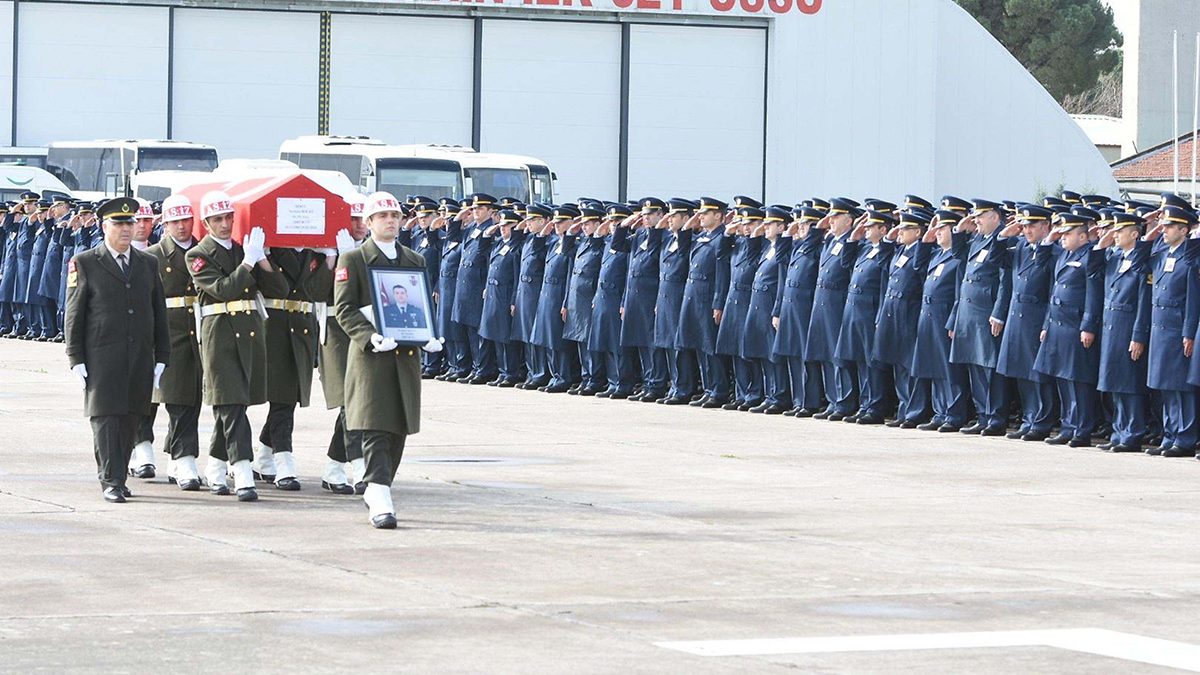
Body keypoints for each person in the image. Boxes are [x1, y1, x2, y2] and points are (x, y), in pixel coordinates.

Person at [334, 191, 440, 528]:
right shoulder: (353, 260)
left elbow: (421, 305)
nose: (391, 221)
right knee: (374, 426)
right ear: (368, 223)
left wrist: (429, 334)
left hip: (406, 358)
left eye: (394, 215)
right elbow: (344, 308)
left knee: (398, 429)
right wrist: (368, 336)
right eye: (382, 216)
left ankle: (380, 485)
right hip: (372, 359)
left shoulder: (414, 261)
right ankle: (379, 494)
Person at [64, 197, 170, 503]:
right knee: (106, 417)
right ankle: (110, 479)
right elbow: (75, 313)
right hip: (101, 355)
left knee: (131, 416)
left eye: (130, 223)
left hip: (138, 356)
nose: (126, 229)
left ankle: (119, 476)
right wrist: (75, 357)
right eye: (119, 223)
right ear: (104, 226)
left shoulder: (148, 263)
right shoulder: (84, 262)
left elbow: (157, 312)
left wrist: (162, 355)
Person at [186, 191, 288, 502]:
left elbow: (279, 289)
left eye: (228, 217)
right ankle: (242, 471)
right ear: (206, 223)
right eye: (217, 219)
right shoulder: (198, 255)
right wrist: (247, 261)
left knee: (233, 405)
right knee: (230, 404)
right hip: (220, 335)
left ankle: (216, 469)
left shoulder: (244, 249)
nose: (225, 224)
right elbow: (222, 289)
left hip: (249, 334)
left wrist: (263, 259)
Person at [253, 242, 332, 491]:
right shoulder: (272, 250)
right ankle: (284, 461)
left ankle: (265, 458)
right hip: (274, 327)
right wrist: (263, 256)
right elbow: (278, 287)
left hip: (302, 328)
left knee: (287, 398)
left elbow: (318, 292)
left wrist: (330, 258)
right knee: (281, 399)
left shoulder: (316, 253)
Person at [143, 195, 205, 490]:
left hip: (200, 331)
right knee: (177, 399)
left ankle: (177, 457)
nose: (182, 227)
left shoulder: (203, 251)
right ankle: (184, 458)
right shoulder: (153, 256)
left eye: (186, 220)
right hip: (168, 332)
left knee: (192, 399)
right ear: (165, 224)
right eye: (175, 222)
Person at [1033, 211, 1104, 447]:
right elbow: (1052, 291)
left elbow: (1093, 296)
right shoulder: (1064, 255)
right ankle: (1067, 425)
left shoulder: (1090, 256)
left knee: (1078, 380)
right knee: (1062, 378)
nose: (1062, 237)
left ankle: (1081, 429)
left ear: (1083, 236)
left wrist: (1088, 325)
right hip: (1057, 324)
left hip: (1075, 325)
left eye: (1068, 233)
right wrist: (1046, 324)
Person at [947, 198, 1012, 436]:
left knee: (989, 367)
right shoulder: (977, 240)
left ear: (995, 217)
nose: (976, 220)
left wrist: (998, 313)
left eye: (981, 216)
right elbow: (958, 255)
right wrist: (959, 230)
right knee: (974, 365)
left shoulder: (1001, 240)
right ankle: (983, 414)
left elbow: (1006, 281)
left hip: (986, 311)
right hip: (969, 312)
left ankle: (995, 417)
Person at [317, 194, 369, 495]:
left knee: (356, 400)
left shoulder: (371, 251)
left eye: (364, 219)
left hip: (366, 328)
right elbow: (319, 292)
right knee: (349, 400)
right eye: (353, 219)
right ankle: (360, 464)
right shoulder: (329, 251)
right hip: (336, 328)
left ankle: (334, 466)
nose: (359, 225)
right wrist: (335, 262)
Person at [994, 204, 1058, 441]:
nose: (1027, 230)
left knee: (1037, 375)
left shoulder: (1053, 251)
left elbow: (1052, 289)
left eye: (1032, 225)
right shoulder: (1020, 246)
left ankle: (1042, 421)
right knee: (1021, 371)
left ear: (1045, 227)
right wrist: (1002, 237)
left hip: (1036, 315)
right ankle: (1029, 418)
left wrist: (1046, 323)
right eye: (1025, 225)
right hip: (1017, 313)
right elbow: (997, 259)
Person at [1146, 204, 1200, 457]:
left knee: (1181, 387)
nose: (1164, 231)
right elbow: (1148, 251)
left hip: (1177, 327)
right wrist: (1153, 231)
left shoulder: (1189, 258)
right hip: (1160, 325)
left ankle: (1185, 437)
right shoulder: (1164, 254)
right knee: (1166, 384)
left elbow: (1192, 300)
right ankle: (1170, 434)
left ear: (1184, 229)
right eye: (1164, 226)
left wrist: (1188, 333)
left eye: (1169, 227)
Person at [1095, 211, 1151, 452]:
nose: (1114, 234)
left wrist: (1138, 335)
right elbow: (1092, 270)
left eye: (1120, 231)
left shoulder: (1140, 261)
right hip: (1111, 326)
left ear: (1135, 234)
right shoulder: (1115, 259)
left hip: (1128, 328)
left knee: (1130, 384)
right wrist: (1100, 244)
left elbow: (1143, 301)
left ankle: (1133, 432)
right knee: (1115, 382)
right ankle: (1119, 431)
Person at [912, 210, 971, 432]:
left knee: (949, 368)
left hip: (945, 314)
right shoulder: (937, 254)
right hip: (928, 313)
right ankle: (939, 412)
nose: (937, 232)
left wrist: (954, 320)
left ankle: (953, 414)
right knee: (933, 364)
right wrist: (925, 240)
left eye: (942, 228)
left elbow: (958, 292)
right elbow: (918, 267)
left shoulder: (956, 256)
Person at [874, 208, 933, 428]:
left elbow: (919, 272)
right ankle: (904, 408)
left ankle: (915, 411)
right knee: (898, 362)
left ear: (918, 232)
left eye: (906, 228)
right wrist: (889, 239)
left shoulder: (920, 251)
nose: (900, 231)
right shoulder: (900, 251)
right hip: (893, 311)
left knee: (910, 364)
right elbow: (882, 262)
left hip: (910, 310)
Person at [834, 209, 895, 424]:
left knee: (873, 362)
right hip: (855, 310)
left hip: (870, 311)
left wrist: (880, 316)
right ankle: (865, 404)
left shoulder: (887, 251)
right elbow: (845, 262)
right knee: (860, 359)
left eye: (871, 227)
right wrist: (853, 237)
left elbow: (883, 285)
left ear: (883, 229)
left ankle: (875, 407)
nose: (866, 230)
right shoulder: (865, 248)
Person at [809, 198, 862, 420]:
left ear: (849, 220)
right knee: (824, 351)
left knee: (838, 355)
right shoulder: (830, 241)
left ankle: (844, 401)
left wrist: (851, 237)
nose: (830, 220)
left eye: (836, 217)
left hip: (837, 301)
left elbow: (846, 268)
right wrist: (817, 229)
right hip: (822, 300)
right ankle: (832, 400)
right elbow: (810, 248)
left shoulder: (854, 242)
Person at [773, 206, 826, 417]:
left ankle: (809, 401)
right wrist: (787, 233)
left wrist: (814, 233)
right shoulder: (798, 247)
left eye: (807, 224)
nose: (802, 228)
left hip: (805, 307)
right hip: (791, 306)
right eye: (801, 224)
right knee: (793, 353)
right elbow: (781, 257)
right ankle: (798, 400)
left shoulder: (816, 247)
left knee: (806, 356)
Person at [680, 197, 732, 409]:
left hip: (708, 296)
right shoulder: (702, 237)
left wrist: (718, 303)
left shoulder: (722, 237)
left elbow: (722, 273)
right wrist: (686, 227)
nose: (700, 216)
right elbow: (683, 249)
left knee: (710, 345)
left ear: (718, 216)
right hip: (694, 294)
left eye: (705, 213)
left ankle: (719, 390)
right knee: (699, 344)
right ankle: (709, 388)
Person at [742, 206, 791, 414]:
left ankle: (779, 396)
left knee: (773, 354)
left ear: (781, 226)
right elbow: (751, 260)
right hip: (757, 303)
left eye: (770, 224)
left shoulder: (781, 249)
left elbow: (781, 282)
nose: (766, 227)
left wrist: (777, 310)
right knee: (760, 351)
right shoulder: (766, 247)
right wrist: (754, 235)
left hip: (769, 303)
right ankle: (768, 394)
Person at [716, 208, 765, 410]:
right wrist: (727, 233)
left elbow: (754, 257)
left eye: (751, 223)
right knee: (734, 348)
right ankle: (741, 393)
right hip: (733, 298)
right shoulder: (738, 244)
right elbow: (720, 254)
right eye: (744, 223)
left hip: (748, 299)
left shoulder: (760, 245)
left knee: (749, 349)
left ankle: (755, 393)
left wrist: (754, 235)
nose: (746, 227)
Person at [530, 205, 580, 393]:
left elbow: (569, 276)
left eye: (561, 223)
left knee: (558, 340)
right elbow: (536, 251)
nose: (557, 226)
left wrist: (566, 302)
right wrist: (544, 231)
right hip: (547, 293)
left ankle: (563, 376)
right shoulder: (553, 243)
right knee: (547, 338)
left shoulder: (572, 246)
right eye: (555, 222)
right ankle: (554, 374)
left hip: (559, 294)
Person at [653, 198, 698, 405]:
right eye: (668, 216)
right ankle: (675, 385)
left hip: (679, 296)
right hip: (665, 295)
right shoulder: (669, 239)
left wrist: (686, 226)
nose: (669, 220)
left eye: (674, 217)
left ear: (686, 219)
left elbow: (684, 244)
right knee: (667, 343)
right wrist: (659, 228)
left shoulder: (687, 240)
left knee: (678, 345)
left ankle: (683, 387)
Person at [453, 193, 498, 384]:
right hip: (465, 284)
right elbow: (453, 237)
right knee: (466, 329)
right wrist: (457, 217)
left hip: (478, 284)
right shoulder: (471, 227)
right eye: (474, 208)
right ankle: (473, 367)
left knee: (477, 330)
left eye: (480, 208)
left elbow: (489, 259)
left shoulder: (491, 230)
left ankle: (483, 368)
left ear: (489, 211)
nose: (475, 211)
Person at [563, 206, 607, 396]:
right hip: (576, 298)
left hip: (589, 298)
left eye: (588, 223)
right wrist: (571, 232)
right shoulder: (582, 243)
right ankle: (586, 377)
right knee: (580, 340)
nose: (585, 227)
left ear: (598, 224)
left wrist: (597, 234)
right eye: (583, 223)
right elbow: (566, 253)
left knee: (590, 341)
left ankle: (595, 379)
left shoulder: (600, 244)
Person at [478, 209, 524, 386]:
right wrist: (488, 232)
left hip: (505, 294)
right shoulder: (499, 244)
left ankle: (511, 372)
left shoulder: (516, 247)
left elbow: (516, 274)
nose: (503, 229)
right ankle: (503, 372)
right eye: (501, 225)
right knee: (495, 334)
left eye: (507, 226)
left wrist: (513, 300)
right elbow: (483, 250)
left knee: (506, 336)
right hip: (493, 293)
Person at [513, 204, 551, 389]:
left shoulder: (546, 240)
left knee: (537, 335)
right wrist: (522, 229)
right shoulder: (529, 238)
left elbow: (539, 253)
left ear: (543, 222)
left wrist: (542, 233)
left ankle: (541, 373)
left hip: (536, 291)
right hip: (524, 291)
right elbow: (514, 243)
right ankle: (531, 371)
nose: (527, 223)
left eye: (532, 220)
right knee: (526, 334)